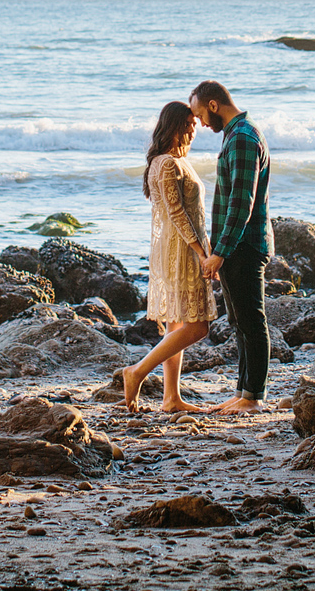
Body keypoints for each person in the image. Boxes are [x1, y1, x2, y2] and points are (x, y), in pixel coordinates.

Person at [120, 101, 217, 411]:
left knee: (176, 325)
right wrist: (202, 252)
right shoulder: (166, 164)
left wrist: (207, 246)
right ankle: (136, 372)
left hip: (182, 248)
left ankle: (171, 398)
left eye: (193, 122)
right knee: (197, 326)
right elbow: (176, 213)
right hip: (180, 252)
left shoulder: (178, 161)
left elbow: (193, 214)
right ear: (173, 126)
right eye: (188, 123)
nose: (194, 128)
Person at [192, 79, 273, 415]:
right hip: (237, 244)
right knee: (239, 321)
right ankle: (244, 392)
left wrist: (219, 253)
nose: (199, 123)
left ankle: (253, 397)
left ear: (213, 105)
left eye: (199, 115)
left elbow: (242, 204)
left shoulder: (242, 137)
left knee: (251, 320)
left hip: (243, 245)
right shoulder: (236, 134)